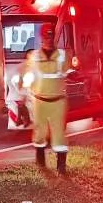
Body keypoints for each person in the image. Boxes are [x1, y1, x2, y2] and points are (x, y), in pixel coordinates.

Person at [24, 23, 70, 174]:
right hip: (39, 101)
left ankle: (61, 167)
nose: (48, 39)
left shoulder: (62, 56)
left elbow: (69, 70)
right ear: (41, 38)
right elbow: (27, 75)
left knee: (59, 136)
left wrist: (74, 72)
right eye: (45, 36)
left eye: (50, 36)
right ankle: (41, 164)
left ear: (53, 37)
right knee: (39, 134)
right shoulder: (34, 57)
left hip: (58, 101)